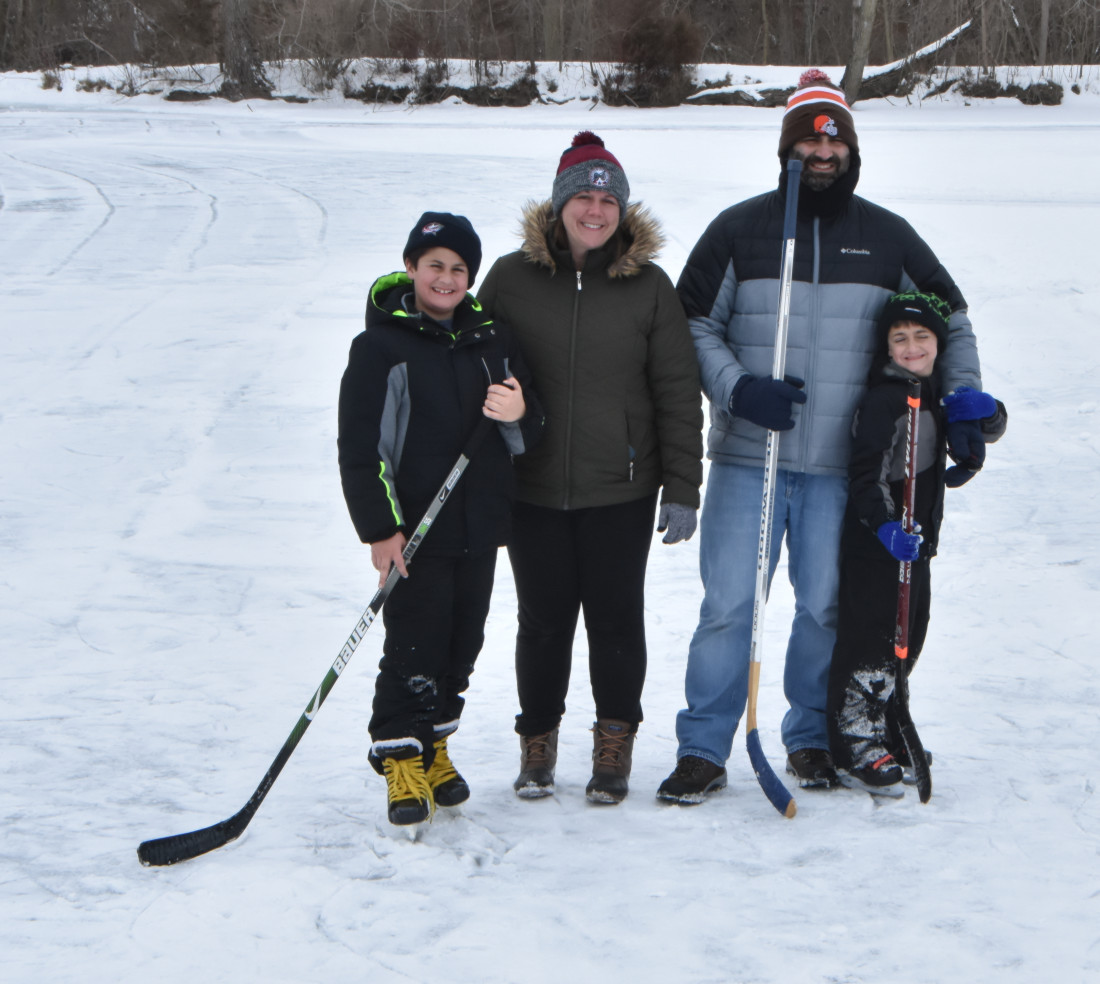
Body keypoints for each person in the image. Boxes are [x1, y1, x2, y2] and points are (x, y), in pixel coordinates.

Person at [659, 69, 992, 804]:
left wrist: (961, 400)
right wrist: (740, 387)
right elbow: (689, 326)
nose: (822, 150)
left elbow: (952, 317)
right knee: (728, 608)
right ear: (788, 146)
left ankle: (809, 736)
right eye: (809, 137)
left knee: (824, 607)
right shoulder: (740, 231)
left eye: (833, 139)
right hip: (751, 458)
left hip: (844, 469)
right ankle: (704, 748)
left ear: (851, 151)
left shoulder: (886, 236)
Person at [478, 132, 703, 805]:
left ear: (622, 209)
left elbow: (675, 389)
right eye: (584, 196)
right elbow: (477, 367)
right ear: (560, 205)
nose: (596, 210)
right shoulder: (511, 279)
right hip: (534, 484)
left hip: (621, 487)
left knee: (614, 618)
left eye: (608, 198)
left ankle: (613, 743)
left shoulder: (649, 287)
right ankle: (537, 742)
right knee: (542, 620)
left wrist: (684, 487)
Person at [337, 212, 543, 826]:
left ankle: (436, 746)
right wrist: (380, 529)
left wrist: (518, 410)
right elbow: (361, 448)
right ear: (411, 268)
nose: (446, 279)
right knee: (414, 643)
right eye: (435, 266)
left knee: (462, 644)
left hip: (478, 529)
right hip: (414, 533)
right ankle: (401, 753)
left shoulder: (493, 342)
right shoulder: (380, 347)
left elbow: (528, 436)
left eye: (458, 269)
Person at [827, 291, 1005, 792]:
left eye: (921, 337)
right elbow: (866, 476)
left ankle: (886, 724)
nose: (911, 347)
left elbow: (988, 422)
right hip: (875, 545)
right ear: (886, 347)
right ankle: (855, 740)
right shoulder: (884, 399)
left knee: (909, 636)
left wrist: (986, 413)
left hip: (917, 545)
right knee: (872, 639)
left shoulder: (934, 394)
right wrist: (884, 527)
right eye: (899, 339)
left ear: (938, 345)